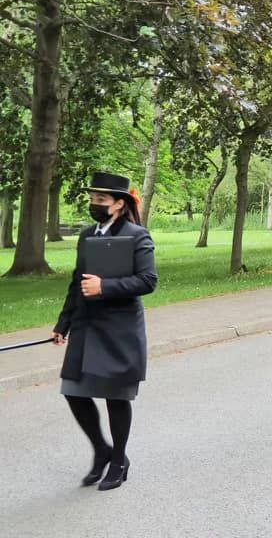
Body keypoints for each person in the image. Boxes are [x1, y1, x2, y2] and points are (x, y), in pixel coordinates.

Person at [52, 172, 157, 491]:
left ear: (119, 204)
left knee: (115, 396)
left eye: (101, 200)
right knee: (72, 390)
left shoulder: (138, 236)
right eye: (92, 199)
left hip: (120, 328)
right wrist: (63, 323)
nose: (94, 204)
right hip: (86, 324)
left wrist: (106, 286)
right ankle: (101, 449)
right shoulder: (86, 236)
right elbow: (76, 282)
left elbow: (147, 281)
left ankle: (119, 459)